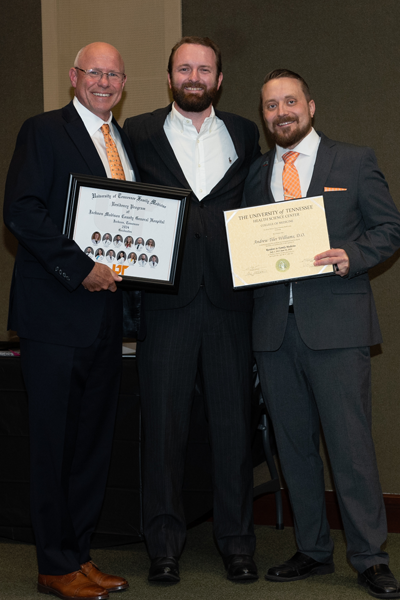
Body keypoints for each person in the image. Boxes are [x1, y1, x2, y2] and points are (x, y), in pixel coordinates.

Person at [242, 68, 400, 598]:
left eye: (290, 102)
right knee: (294, 447)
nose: (280, 112)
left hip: (336, 327)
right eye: (270, 106)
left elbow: (389, 228)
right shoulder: (256, 171)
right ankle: (312, 549)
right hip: (272, 331)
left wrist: (353, 255)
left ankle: (370, 557)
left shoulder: (353, 161)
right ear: (264, 115)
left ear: (311, 106)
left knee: (350, 447)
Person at [4, 42, 140, 600]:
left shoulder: (122, 143)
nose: (104, 81)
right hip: (56, 313)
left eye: (113, 73)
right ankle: (53, 565)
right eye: (94, 72)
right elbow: (22, 210)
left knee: (90, 445)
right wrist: (79, 268)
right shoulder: (44, 130)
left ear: (124, 82)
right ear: (73, 76)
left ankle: (79, 556)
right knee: (54, 445)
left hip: (108, 316)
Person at [124, 36, 260, 583]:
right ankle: (163, 546)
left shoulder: (246, 134)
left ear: (219, 80)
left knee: (234, 430)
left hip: (231, 303)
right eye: (185, 68)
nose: (195, 76)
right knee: (163, 430)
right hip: (167, 305)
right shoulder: (137, 132)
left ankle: (237, 544)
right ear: (170, 76)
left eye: (205, 69)